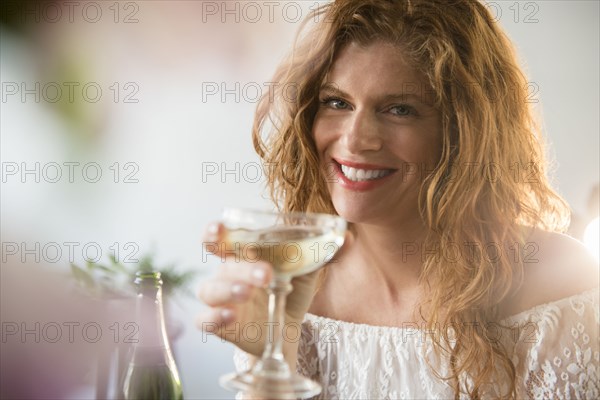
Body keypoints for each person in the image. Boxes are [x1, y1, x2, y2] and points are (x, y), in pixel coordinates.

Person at [196, 0, 599, 398]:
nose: (355, 139)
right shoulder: (294, 285)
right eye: (337, 102)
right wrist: (275, 361)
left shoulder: (558, 279)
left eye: (399, 109)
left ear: (464, 132)